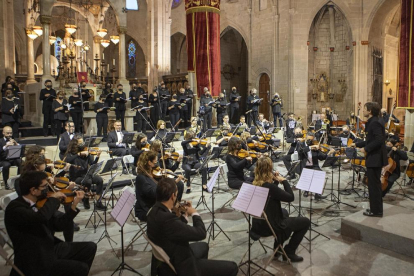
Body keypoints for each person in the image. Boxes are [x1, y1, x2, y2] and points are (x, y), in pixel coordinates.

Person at [4, 171, 97, 276]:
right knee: (80, 268)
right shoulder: (15, 209)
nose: (47, 189)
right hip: (35, 259)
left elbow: (59, 225)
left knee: (90, 247)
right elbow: (40, 217)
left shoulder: (40, 203)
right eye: (44, 187)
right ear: (33, 190)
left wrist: (74, 205)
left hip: (48, 247)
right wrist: (53, 199)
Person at [146, 177, 239, 276]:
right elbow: (201, 233)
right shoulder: (168, 219)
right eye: (176, 195)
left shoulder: (153, 211)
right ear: (172, 196)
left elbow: (177, 230)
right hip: (181, 263)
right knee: (232, 267)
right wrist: (195, 213)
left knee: (204, 246)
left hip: (170, 253)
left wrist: (184, 214)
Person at [251, 157, 310, 262]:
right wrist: (284, 181)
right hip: (269, 227)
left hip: (258, 224)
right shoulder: (270, 187)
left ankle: (277, 247)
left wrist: (275, 181)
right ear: (269, 169)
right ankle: (289, 251)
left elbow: (272, 193)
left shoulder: (255, 183)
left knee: (284, 212)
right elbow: (290, 198)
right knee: (305, 222)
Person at [351, 102, 387, 217]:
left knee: (374, 186)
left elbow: (379, 140)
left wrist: (366, 149)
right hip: (375, 157)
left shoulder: (375, 122)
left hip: (375, 158)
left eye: (365, 109)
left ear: (370, 111)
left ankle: (376, 211)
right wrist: (357, 144)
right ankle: (376, 209)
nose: (363, 111)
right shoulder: (374, 121)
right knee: (373, 185)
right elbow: (371, 140)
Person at [65, 135, 106, 210]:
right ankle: (86, 200)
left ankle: (98, 202)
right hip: (76, 177)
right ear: (75, 143)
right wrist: (78, 154)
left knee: (99, 180)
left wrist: (97, 157)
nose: (82, 144)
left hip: (86, 174)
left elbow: (92, 164)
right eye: (80, 142)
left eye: (82, 142)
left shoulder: (86, 151)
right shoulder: (71, 153)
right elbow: (67, 160)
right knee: (88, 181)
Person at [135, 151, 159, 221]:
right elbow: (152, 193)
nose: (156, 165)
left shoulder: (152, 173)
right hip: (146, 209)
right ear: (149, 163)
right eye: (155, 163)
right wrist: (164, 184)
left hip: (154, 205)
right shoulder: (141, 178)